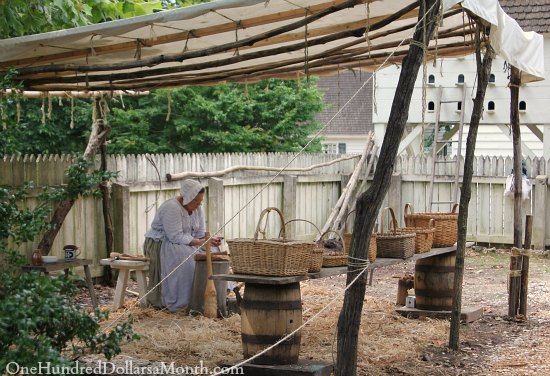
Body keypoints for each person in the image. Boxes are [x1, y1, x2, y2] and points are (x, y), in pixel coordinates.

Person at [143, 179, 221, 312]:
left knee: (214, 251)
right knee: (187, 258)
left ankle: (211, 296)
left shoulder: (197, 208)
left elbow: (200, 233)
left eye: (200, 201)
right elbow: (175, 236)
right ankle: (184, 301)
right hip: (163, 243)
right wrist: (199, 242)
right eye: (196, 201)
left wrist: (209, 240)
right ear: (187, 198)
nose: (199, 204)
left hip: (187, 241)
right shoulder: (172, 208)